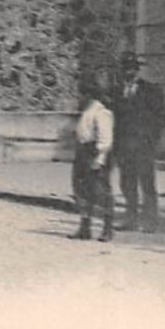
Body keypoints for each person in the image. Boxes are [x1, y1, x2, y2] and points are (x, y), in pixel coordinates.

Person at [113, 52, 165, 232]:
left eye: (132, 69)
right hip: (124, 146)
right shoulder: (117, 91)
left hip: (144, 146)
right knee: (127, 184)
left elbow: (161, 119)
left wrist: (151, 139)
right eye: (125, 69)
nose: (128, 72)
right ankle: (131, 219)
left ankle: (151, 222)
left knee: (147, 184)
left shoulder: (151, 91)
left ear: (137, 70)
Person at [71, 71, 116, 242]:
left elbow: (105, 139)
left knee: (101, 191)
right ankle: (85, 227)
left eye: (82, 95)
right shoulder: (86, 111)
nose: (79, 98)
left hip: (95, 152)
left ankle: (107, 228)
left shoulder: (101, 112)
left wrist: (100, 158)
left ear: (89, 95)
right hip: (83, 152)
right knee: (82, 190)